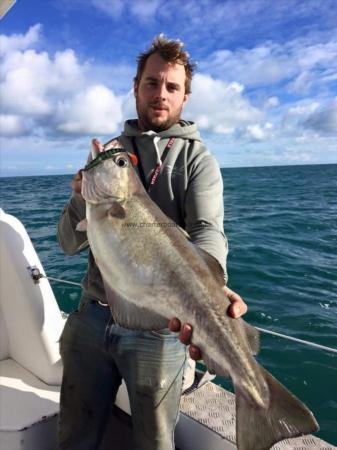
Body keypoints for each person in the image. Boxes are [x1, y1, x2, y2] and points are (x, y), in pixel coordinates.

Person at [57, 35, 247, 450]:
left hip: (160, 328)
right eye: (151, 82)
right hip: (91, 316)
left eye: (172, 86)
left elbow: (207, 231)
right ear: (136, 86)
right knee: (73, 434)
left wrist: (210, 289)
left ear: (185, 96)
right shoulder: (111, 155)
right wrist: (80, 198)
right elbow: (68, 245)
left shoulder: (198, 160)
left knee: (155, 442)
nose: (160, 94)